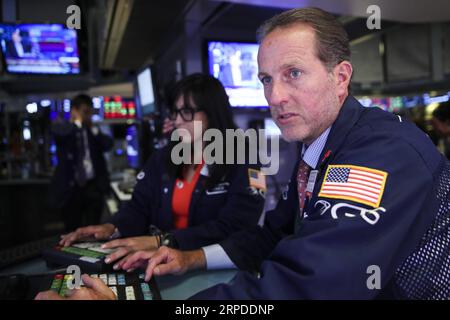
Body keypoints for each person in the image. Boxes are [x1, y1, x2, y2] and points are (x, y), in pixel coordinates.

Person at [37, 7, 449, 300]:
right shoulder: (318, 153)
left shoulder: (381, 154)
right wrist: (189, 259)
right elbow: (269, 236)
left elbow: (308, 286)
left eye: (294, 74)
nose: (276, 96)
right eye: (267, 80)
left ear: (340, 77)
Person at [56, 74, 265, 270]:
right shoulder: (163, 157)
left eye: (187, 112)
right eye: (175, 112)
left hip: (217, 271)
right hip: (163, 267)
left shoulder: (248, 159)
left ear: (213, 112)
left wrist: (165, 241)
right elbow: (139, 206)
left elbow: (238, 225)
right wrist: (113, 228)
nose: (178, 120)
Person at [48, 94, 113, 232]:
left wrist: (93, 129)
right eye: (85, 112)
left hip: (93, 187)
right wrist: (76, 122)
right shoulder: (64, 128)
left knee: (93, 229)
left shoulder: (92, 131)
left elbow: (108, 144)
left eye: (90, 112)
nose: (88, 116)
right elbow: (60, 135)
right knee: (72, 229)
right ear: (74, 111)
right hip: (71, 189)